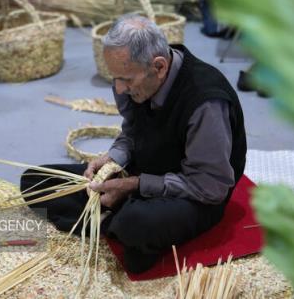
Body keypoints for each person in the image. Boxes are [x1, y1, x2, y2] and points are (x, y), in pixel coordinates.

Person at [20, 14, 247, 274]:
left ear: (159, 67)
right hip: (145, 171)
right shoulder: (134, 79)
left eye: (126, 80)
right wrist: (113, 158)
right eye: (114, 78)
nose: (118, 89)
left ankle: (119, 220)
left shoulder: (205, 103)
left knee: (137, 223)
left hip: (193, 192)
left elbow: (209, 187)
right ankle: (117, 221)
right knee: (36, 180)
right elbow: (131, 132)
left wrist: (135, 185)